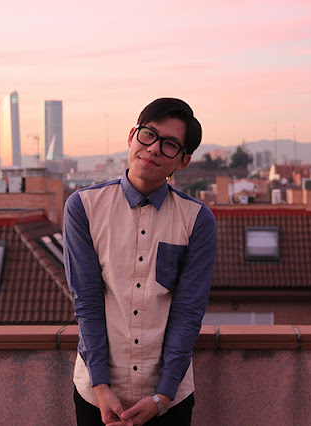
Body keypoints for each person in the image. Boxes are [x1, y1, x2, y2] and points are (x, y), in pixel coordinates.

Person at [63, 98, 216, 426]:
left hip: (169, 399)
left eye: (170, 144)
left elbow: (188, 311)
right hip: (96, 394)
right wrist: (101, 387)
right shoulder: (84, 207)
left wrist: (163, 396)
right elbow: (87, 302)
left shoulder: (197, 219)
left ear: (183, 161)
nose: (154, 148)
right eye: (149, 134)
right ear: (132, 136)